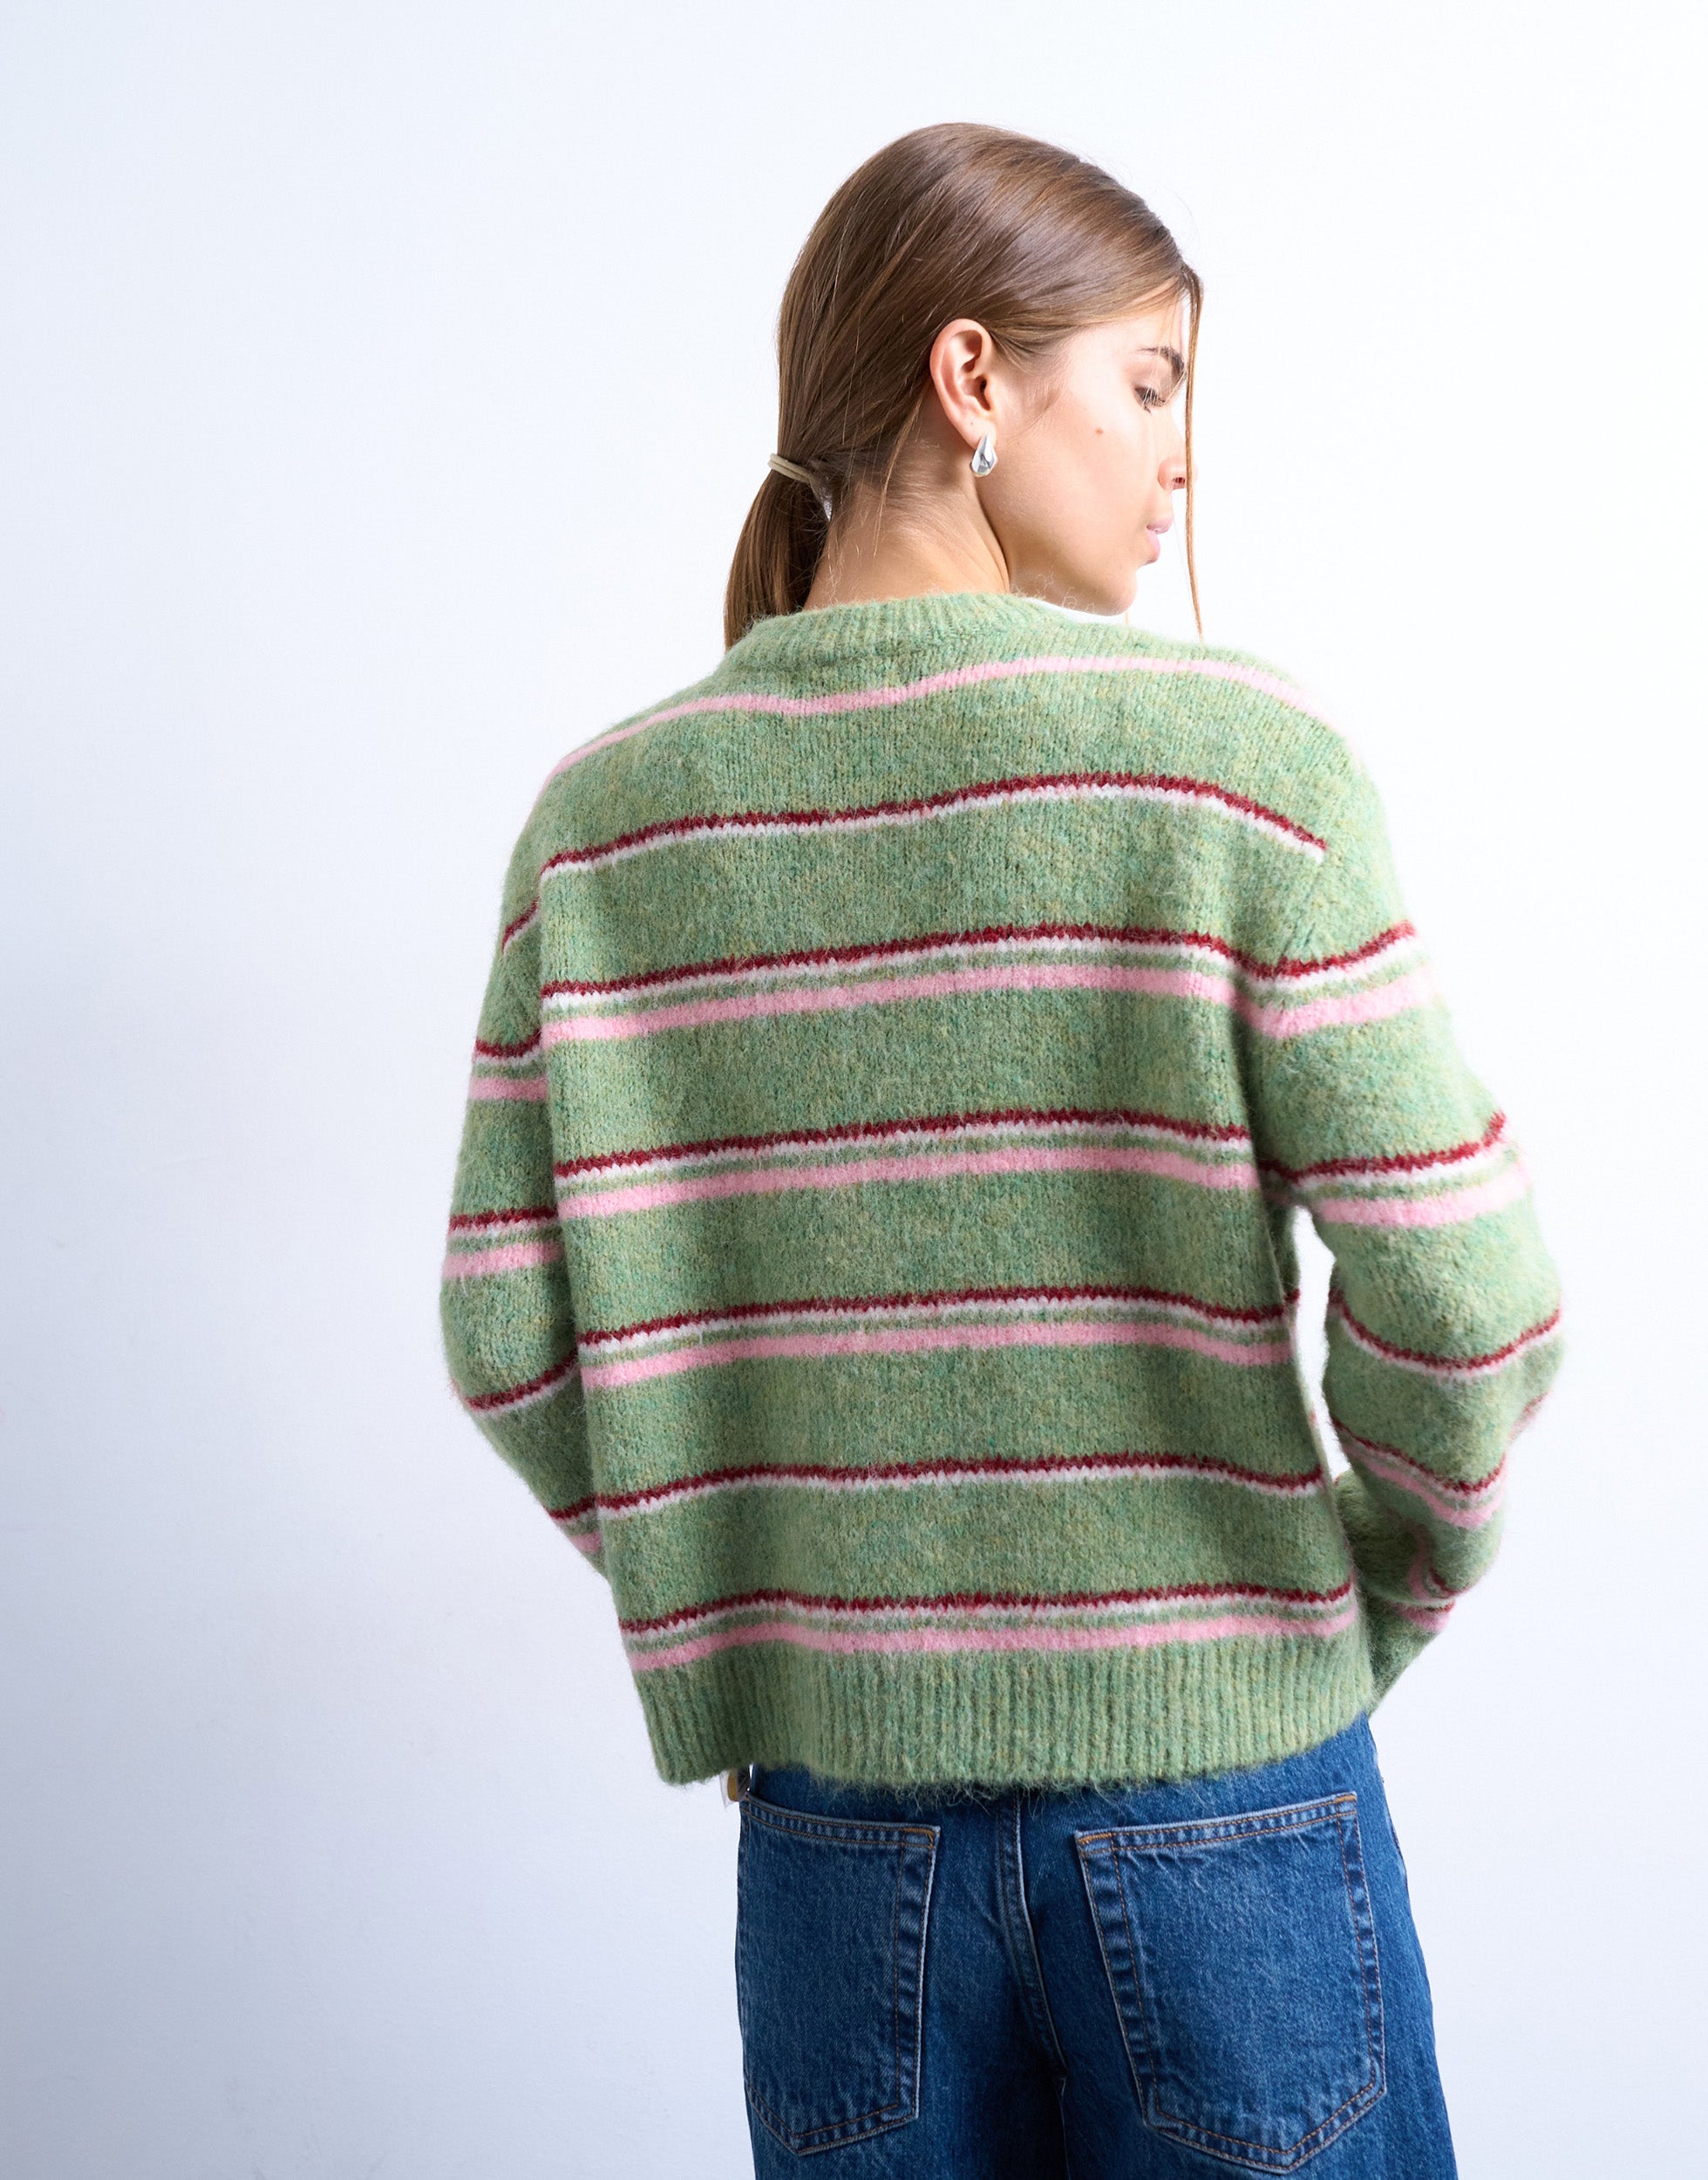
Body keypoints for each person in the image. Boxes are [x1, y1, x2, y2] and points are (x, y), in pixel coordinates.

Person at [440, 123, 1560, 2178]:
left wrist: (779, 1597)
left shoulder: (603, 830)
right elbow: (1470, 1298)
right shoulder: (1242, 767)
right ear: (971, 375)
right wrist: (1362, 1599)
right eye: (1147, 380)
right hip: (1225, 1801)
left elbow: (507, 1337)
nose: (1180, 456)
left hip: (835, 1857)